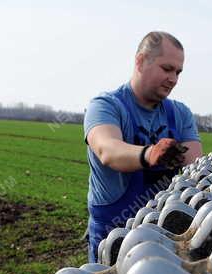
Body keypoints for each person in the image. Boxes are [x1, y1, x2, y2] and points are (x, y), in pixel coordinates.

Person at [83, 31, 202, 262]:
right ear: (140, 61)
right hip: (112, 236)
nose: (174, 79)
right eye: (166, 69)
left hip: (163, 232)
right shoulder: (106, 106)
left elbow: (195, 165)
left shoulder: (180, 114)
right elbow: (108, 150)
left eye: (178, 72)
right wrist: (149, 154)